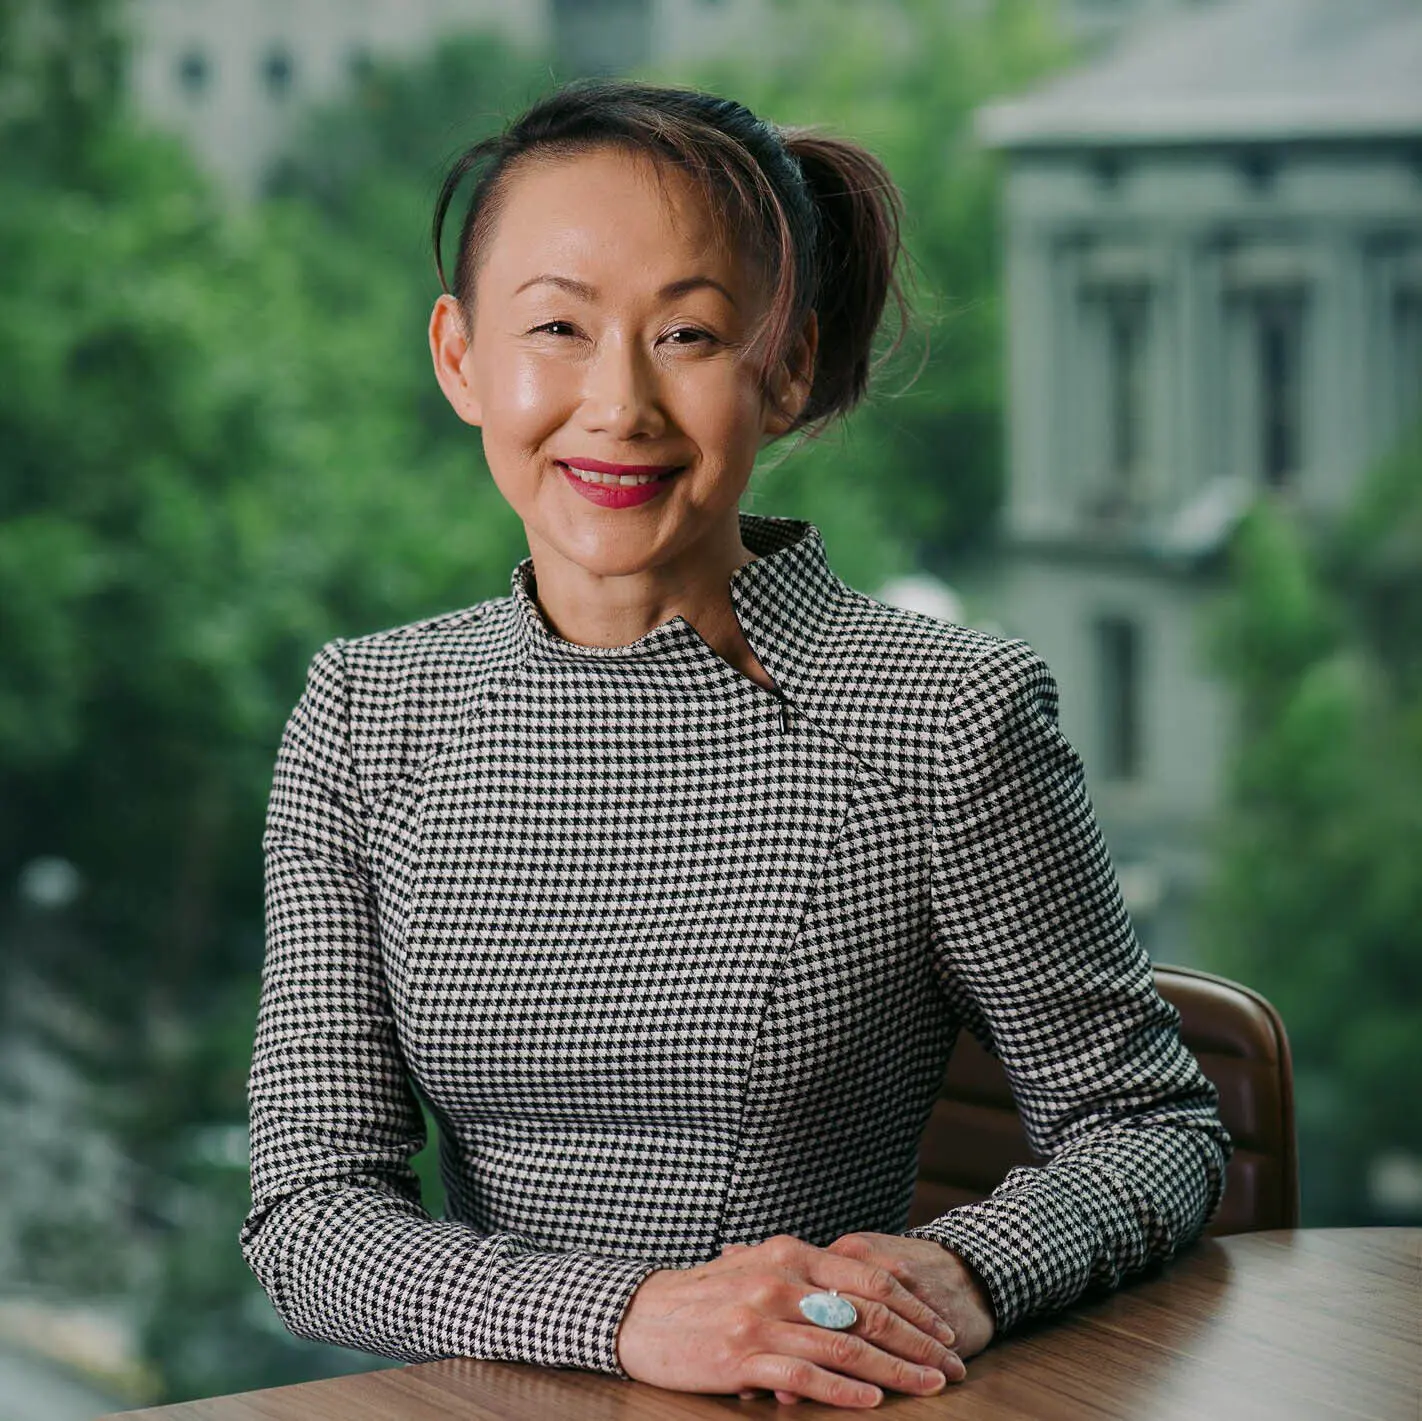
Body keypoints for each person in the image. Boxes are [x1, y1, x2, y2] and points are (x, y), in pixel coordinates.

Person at [240, 77, 1232, 1410]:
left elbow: (1147, 1127)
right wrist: (631, 1315)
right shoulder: (367, 713)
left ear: (790, 367)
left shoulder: (944, 715)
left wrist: (967, 1272)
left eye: (691, 335)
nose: (618, 404)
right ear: (461, 357)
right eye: (557, 328)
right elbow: (306, 1217)